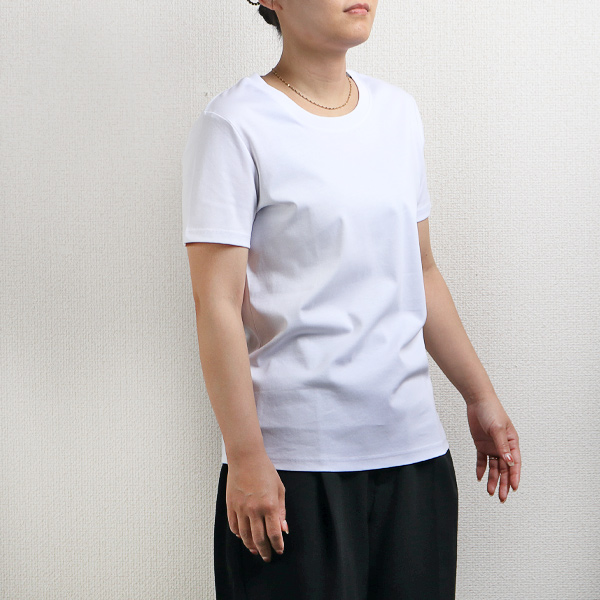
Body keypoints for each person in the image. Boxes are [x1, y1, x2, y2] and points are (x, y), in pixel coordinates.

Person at [182, 0, 522, 598]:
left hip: (413, 455)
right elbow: (216, 306)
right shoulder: (235, 123)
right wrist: (246, 456)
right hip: (294, 466)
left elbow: (421, 269)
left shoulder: (398, 112)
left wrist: (480, 397)